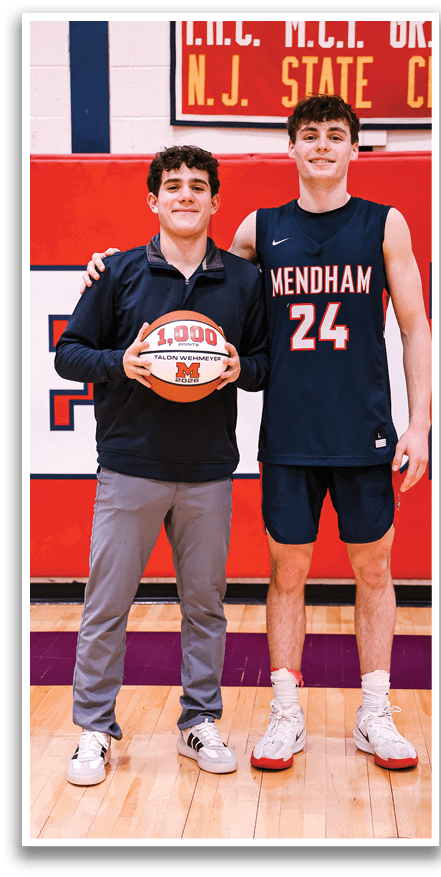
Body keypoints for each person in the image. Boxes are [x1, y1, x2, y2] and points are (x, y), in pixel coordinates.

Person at [80, 94, 432, 774]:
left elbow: (415, 325)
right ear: (291, 149)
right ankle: (283, 709)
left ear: (353, 149)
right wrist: (109, 261)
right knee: (287, 572)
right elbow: (194, 272)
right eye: (309, 135)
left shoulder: (384, 225)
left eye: (335, 135)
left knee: (374, 569)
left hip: (364, 431)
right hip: (289, 434)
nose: (322, 146)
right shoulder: (258, 228)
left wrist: (418, 421)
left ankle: (375, 711)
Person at [55, 145, 268, 784]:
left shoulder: (244, 280)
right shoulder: (116, 274)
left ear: (214, 201)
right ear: (153, 200)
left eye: (197, 186)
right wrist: (123, 361)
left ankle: (198, 723)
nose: (185, 196)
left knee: (205, 605)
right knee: (107, 603)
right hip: (130, 466)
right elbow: (69, 354)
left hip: (207, 469)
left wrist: (240, 369)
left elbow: (263, 363)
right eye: (172, 186)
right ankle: (94, 729)